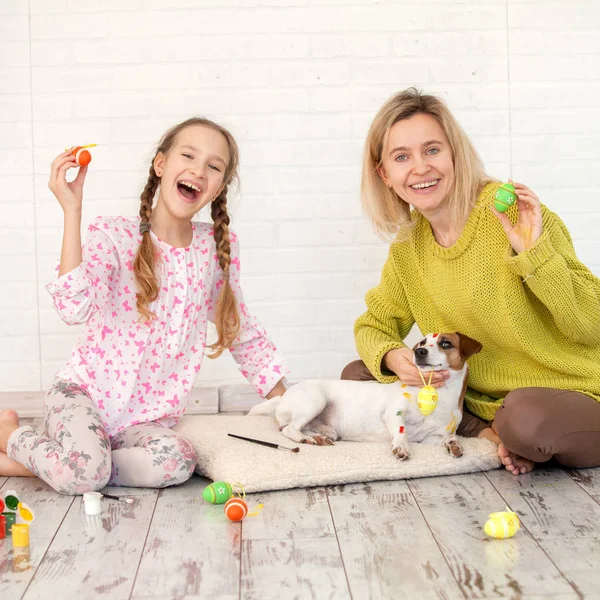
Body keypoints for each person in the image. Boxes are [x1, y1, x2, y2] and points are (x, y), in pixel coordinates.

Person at [0, 117, 288, 493]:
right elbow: (73, 309)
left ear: (219, 187)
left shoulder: (213, 250)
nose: (198, 170)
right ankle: (15, 437)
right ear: (161, 165)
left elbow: (240, 331)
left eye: (213, 167)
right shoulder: (115, 235)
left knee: (179, 460)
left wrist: (289, 405)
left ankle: (73, 462)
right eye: (188, 155)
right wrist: (72, 212)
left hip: (145, 422)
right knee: (86, 474)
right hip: (81, 397)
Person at [342, 87, 600, 475]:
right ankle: (492, 433)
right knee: (358, 375)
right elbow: (373, 326)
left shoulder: (511, 212)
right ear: (386, 175)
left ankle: (504, 432)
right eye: (401, 157)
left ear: (455, 155)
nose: (420, 168)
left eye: (432, 150)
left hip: (569, 386)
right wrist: (397, 360)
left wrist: (534, 255)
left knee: (525, 419)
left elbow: (591, 324)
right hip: (477, 394)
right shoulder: (409, 246)